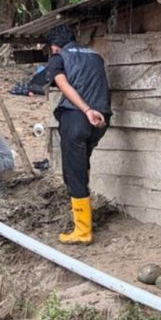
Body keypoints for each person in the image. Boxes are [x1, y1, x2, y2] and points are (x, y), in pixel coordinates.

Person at [45, 25, 111, 246]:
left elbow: (64, 85)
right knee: (82, 164)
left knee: (73, 173)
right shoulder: (95, 56)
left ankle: (82, 230)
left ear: (54, 46)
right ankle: (85, 211)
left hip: (78, 118)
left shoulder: (58, 57)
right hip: (102, 118)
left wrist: (85, 110)